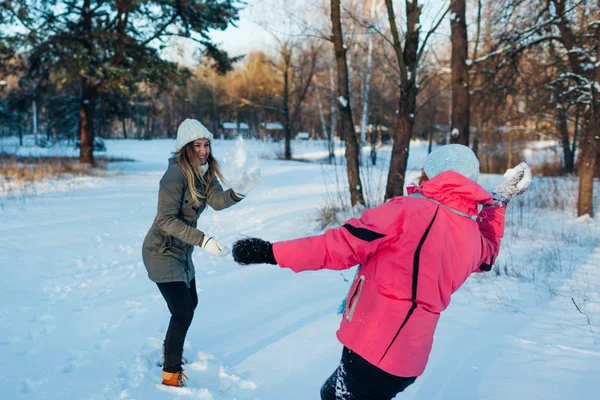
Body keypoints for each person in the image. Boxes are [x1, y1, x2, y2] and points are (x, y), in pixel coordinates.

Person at [231, 144, 531, 400]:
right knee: (329, 393)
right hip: (408, 359)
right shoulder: (470, 233)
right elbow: (488, 254)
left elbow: (339, 246)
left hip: (374, 349)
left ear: (433, 174)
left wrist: (270, 252)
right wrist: (499, 201)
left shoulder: (407, 211)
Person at [142, 118, 259, 387]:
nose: (204, 150)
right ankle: (171, 374)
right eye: (197, 145)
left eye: (206, 144)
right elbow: (165, 220)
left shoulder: (205, 171)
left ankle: (167, 350)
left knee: (190, 305)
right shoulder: (174, 176)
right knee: (182, 311)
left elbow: (216, 201)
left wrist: (240, 191)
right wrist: (203, 240)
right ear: (185, 147)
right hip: (161, 251)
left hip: (182, 252)